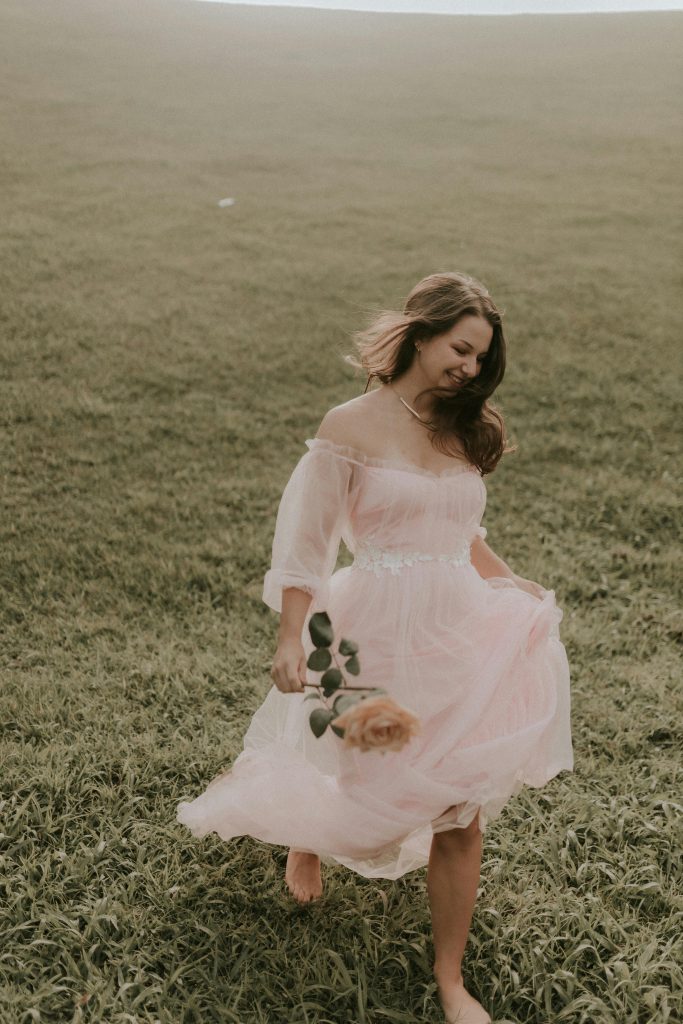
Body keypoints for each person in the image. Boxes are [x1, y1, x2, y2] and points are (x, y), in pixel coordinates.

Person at [177, 271, 573, 1024]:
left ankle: (450, 979)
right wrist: (292, 636)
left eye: (479, 359)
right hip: (368, 626)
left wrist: (513, 585)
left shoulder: (460, 428)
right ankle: (307, 838)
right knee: (369, 793)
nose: (468, 367)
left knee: (458, 806)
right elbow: (307, 543)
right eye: (460, 349)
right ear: (421, 333)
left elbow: (462, 531)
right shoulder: (348, 427)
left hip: (454, 621)